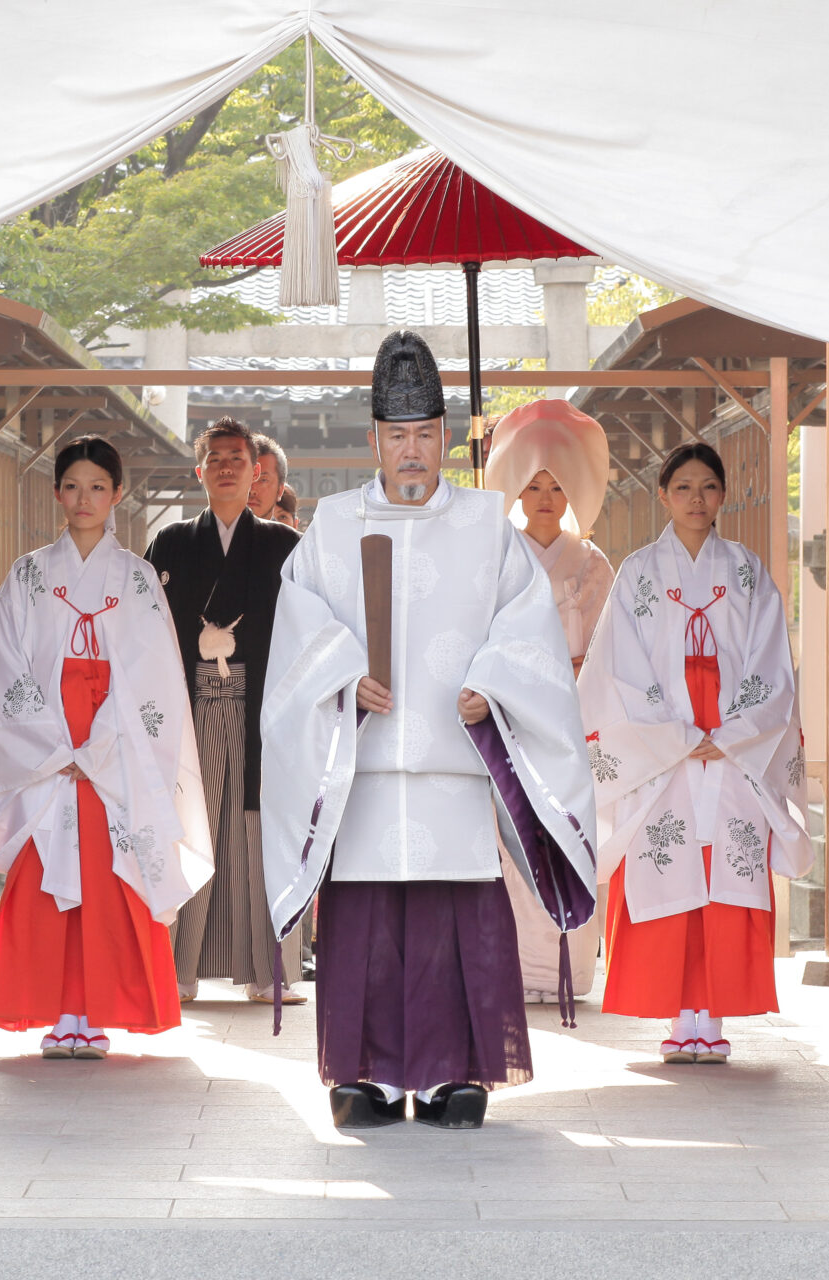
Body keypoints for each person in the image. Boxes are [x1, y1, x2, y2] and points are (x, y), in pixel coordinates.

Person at [262, 330, 598, 1130]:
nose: (411, 451)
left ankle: (456, 1074)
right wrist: (343, 673)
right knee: (368, 927)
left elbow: (528, 629)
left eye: (424, 434)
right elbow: (297, 620)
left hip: (453, 762)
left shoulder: (487, 525)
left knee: (456, 928)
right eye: (396, 435)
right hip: (366, 765)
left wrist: (494, 681)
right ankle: (366, 1077)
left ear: (444, 437)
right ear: (374, 438)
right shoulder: (335, 525)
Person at [0, 435, 213, 1060]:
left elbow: (153, 672)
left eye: (98, 487)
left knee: (107, 874)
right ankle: (60, 1014)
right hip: (45, 742)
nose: (85, 499)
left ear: (116, 495)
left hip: (116, 743)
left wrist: (100, 743)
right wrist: (53, 742)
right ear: (57, 493)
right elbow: (3, 667)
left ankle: (95, 1014)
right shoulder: (27, 574)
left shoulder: (136, 578)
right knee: (49, 873)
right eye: (73, 486)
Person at [577, 442, 811, 1065]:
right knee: (669, 867)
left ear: (723, 495)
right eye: (683, 488)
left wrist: (730, 733)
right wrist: (676, 734)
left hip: (734, 745)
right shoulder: (637, 573)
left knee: (724, 872)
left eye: (708, 487)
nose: (696, 499)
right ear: (663, 495)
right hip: (663, 746)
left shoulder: (747, 571)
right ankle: (681, 1019)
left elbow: (770, 661)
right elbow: (618, 664)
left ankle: (714, 1015)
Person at [144, 418, 304, 1006]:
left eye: (237, 458)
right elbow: (144, 630)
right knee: (194, 829)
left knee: (258, 836)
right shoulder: (171, 544)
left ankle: (268, 973)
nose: (228, 467)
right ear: (200, 471)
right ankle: (177, 971)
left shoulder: (285, 547)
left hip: (264, 708)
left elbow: (311, 632)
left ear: (256, 470)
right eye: (215, 458)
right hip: (193, 707)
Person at [483, 399, 615, 1004]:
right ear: (514, 490)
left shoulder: (592, 564)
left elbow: (610, 650)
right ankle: (516, 968)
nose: (543, 496)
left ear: (572, 494)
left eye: (556, 485)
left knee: (569, 836)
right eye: (532, 484)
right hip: (509, 721)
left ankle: (569, 969)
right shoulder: (492, 558)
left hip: (572, 719)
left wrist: (567, 676)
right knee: (511, 844)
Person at [249, 433, 288, 521]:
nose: (252, 490)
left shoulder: (292, 535)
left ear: (280, 491)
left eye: (263, 480)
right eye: (247, 478)